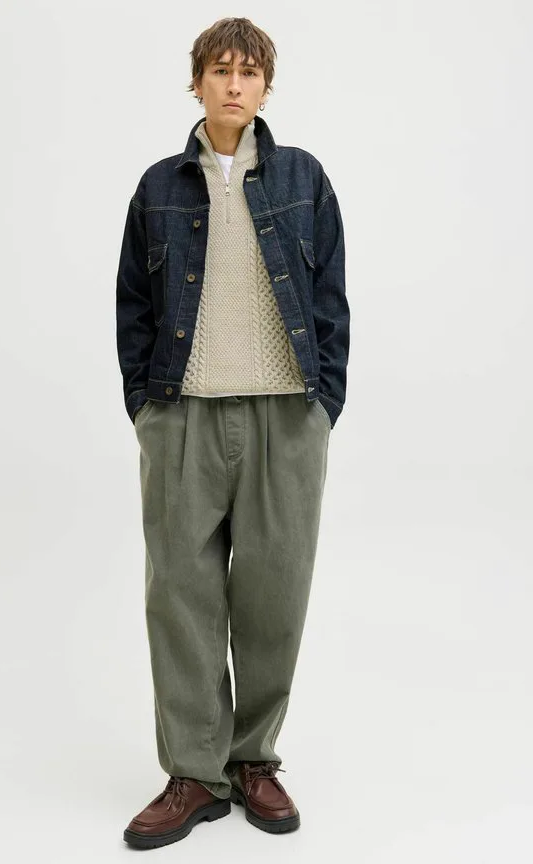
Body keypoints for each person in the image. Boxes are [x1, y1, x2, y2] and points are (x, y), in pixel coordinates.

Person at [116, 16, 350, 850]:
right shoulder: (158, 187)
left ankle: (253, 760)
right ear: (198, 82)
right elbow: (133, 309)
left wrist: (322, 405)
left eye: (249, 72)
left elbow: (331, 298)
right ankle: (194, 772)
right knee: (179, 597)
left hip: (286, 414)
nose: (235, 84)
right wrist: (147, 410)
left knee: (274, 595)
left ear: (266, 86)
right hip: (183, 414)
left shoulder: (302, 177)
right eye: (220, 70)